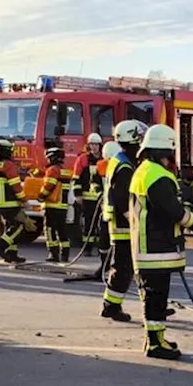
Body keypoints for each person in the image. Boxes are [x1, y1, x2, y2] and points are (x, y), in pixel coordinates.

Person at [129, 124, 193, 360]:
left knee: (154, 296)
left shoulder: (144, 171)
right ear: (166, 151)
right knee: (156, 297)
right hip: (156, 248)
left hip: (146, 247)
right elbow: (173, 211)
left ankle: (156, 338)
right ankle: (155, 344)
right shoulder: (158, 176)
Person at [102, 121, 147, 322]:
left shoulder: (120, 160)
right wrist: (135, 221)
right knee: (125, 267)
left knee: (131, 266)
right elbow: (123, 199)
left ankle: (116, 304)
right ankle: (111, 306)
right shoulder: (126, 166)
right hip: (124, 226)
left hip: (120, 223)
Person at [0, 140, 39, 264]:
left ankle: (12, 254)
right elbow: (15, 185)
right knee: (19, 227)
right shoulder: (9, 165)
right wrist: (24, 200)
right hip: (10, 203)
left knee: (9, 226)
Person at [37, 146, 74, 263]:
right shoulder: (66, 171)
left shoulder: (52, 170)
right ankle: (65, 255)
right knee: (63, 231)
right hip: (63, 206)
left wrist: (41, 196)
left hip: (52, 206)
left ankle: (53, 254)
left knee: (50, 230)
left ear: (52, 158)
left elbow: (49, 186)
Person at [92, 141, 120, 279]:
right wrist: (100, 195)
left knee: (118, 243)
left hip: (119, 211)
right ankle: (104, 265)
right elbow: (94, 182)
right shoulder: (101, 167)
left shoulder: (122, 168)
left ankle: (117, 268)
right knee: (103, 239)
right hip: (106, 210)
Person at [72, 133, 104, 252]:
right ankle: (87, 248)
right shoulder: (83, 159)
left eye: (96, 144)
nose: (94, 147)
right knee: (88, 223)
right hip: (88, 197)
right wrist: (78, 194)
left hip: (101, 197)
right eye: (91, 144)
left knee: (101, 223)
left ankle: (101, 247)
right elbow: (76, 177)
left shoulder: (104, 158)